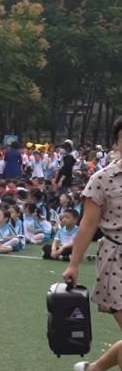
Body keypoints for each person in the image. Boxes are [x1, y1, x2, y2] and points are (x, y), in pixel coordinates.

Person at [62, 116, 122, 332]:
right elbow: (87, 225)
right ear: (116, 143)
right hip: (115, 260)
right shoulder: (102, 179)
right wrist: (74, 264)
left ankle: (93, 368)